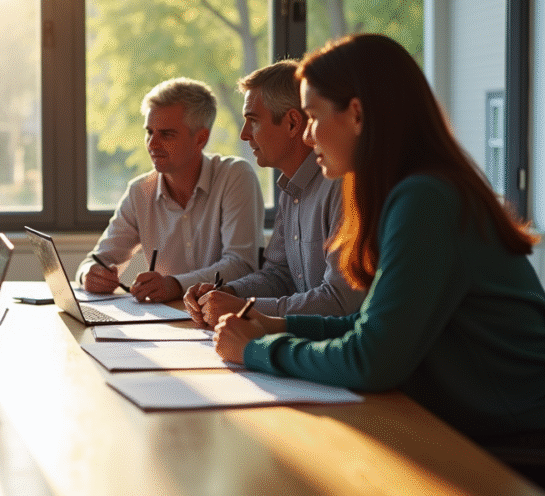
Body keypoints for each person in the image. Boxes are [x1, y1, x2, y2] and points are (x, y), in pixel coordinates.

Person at [214, 34, 545, 438]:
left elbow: (370, 360)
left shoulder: (426, 199)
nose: (307, 135)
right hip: (481, 424)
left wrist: (256, 350)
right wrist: (274, 326)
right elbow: (370, 327)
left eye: (314, 116)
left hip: (516, 441)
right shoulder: (415, 190)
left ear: (356, 115)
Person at [183, 61, 364, 324]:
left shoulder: (342, 185)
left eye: (253, 121)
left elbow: (340, 301)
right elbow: (279, 275)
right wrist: (225, 293)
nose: (244, 135)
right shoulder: (291, 188)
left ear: (292, 123)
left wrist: (244, 308)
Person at [75, 77, 264, 303]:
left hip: (225, 320)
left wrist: (174, 285)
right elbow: (96, 260)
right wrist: (89, 274)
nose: (152, 144)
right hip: (166, 323)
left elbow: (241, 265)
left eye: (166, 134)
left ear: (201, 138)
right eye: (149, 132)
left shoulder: (235, 176)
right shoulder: (139, 192)